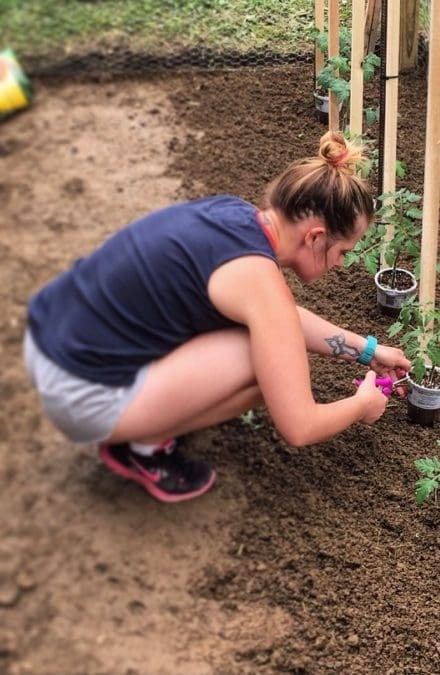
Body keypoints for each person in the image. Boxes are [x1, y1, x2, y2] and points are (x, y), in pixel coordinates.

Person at [24, 131, 411, 503]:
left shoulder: (235, 215)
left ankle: (143, 418)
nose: (341, 264)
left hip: (51, 336)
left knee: (266, 342)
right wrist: (362, 405)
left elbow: (280, 319)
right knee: (266, 372)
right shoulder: (258, 283)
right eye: (342, 251)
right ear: (314, 236)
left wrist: (368, 351)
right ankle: (141, 448)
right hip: (76, 393)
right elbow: (300, 426)